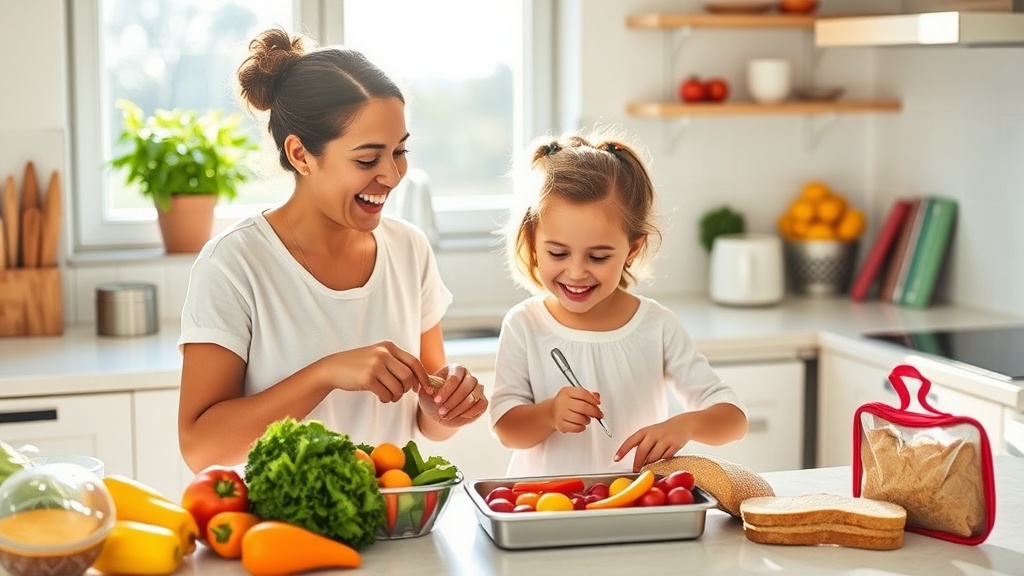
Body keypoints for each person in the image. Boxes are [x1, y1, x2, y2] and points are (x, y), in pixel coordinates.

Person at [177, 28, 487, 472]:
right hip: (278, 533)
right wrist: (326, 374)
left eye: (400, 151)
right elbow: (201, 448)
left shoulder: (409, 250)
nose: (392, 174)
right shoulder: (234, 264)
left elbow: (429, 419)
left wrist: (447, 409)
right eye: (367, 159)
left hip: (389, 521)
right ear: (301, 155)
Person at [489, 130, 748, 476]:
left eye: (598, 256)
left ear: (633, 249)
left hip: (633, 509)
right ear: (533, 243)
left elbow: (734, 419)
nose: (577, 272)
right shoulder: (524, 325)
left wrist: (685, 425)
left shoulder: (655, 325)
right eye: (558, 253)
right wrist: (549, 413)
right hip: (543, 512)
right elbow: (506, 428)